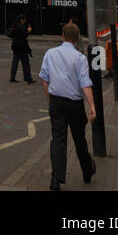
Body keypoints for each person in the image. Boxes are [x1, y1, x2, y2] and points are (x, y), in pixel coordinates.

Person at [38, 22, 96, 192]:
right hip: (75, 104)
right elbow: (85, 83)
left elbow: (44, 78)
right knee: (79, 139)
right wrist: (92, 105)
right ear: (78, 38)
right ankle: (87, 170)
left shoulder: (50, 53)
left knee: (58, 139)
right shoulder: (80, 58)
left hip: (56, 102)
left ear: (62, 35)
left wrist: (49, 97)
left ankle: (56, 179)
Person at [8, 13, 34, 84]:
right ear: (22, 20)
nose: (24, 21)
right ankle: (28, 79)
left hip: (15, 46)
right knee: (25, 63)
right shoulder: (21, 27)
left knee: (15, 63)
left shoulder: (15, 26)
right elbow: (25, 35)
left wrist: (15, 37)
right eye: (24, 20)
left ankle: (12, 77)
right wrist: (29, 30)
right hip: (22, 47)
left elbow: (10, 34)